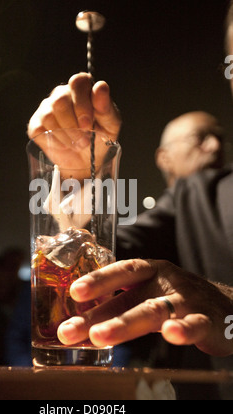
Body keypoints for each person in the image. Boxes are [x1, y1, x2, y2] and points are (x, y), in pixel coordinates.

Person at [27, 20, 233, 361]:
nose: (214, 146)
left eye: (219, 137)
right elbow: (115, 253)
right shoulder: (196, 195)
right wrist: (79, 179)